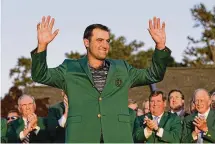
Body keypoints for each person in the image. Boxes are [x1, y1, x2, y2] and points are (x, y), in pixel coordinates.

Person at [31, 16, 171, 143]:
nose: (105, 45)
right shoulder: (70, 68)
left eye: (107, 41)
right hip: (81, 137)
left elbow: (154, 75)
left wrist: (160, 46)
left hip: (118, 137)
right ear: (86, 42)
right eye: (99, 40)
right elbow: (40, 75)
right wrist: (42, 46)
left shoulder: (122, 68)